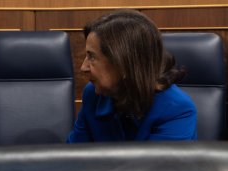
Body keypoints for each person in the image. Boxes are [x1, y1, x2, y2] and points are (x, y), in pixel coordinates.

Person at [67, 10, 197, 142]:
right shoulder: (92, 95)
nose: (83, 67)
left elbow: (159, 163)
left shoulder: (177, 109)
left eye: (92, 57)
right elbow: (73, 156)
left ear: (124, 64)